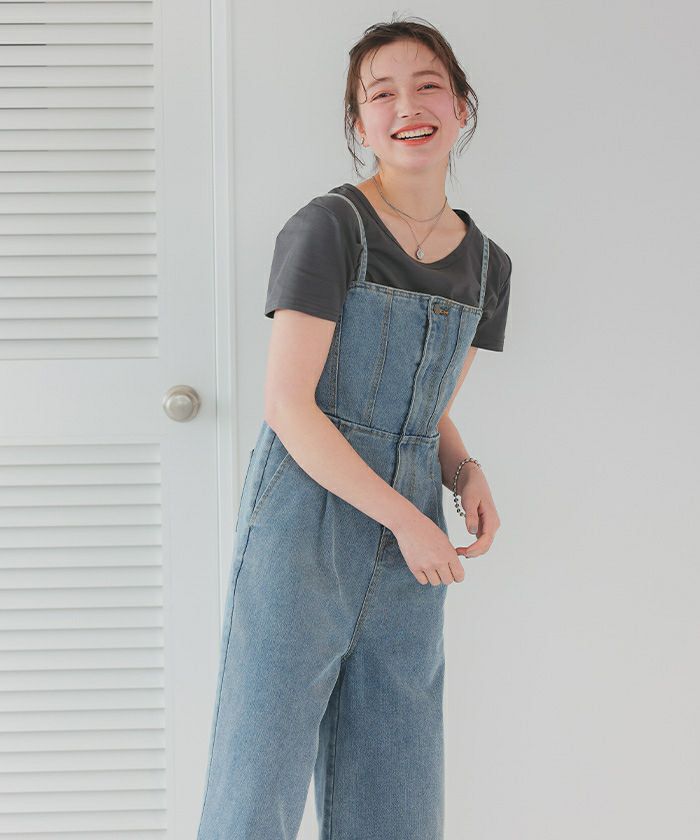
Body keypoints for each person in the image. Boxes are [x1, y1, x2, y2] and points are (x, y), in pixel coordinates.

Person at [197, 15, 512, 840]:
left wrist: (462, 470)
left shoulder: (488, 266)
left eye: (428, 86)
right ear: (359, 123)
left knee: (397, 793)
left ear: (462, 106)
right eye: (382, 94)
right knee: (255, 788)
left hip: (411, 538)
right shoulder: (329, 226)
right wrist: (409, 519)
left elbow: (426, 407)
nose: (408, 106)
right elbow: (289, 405)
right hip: (305, 523)